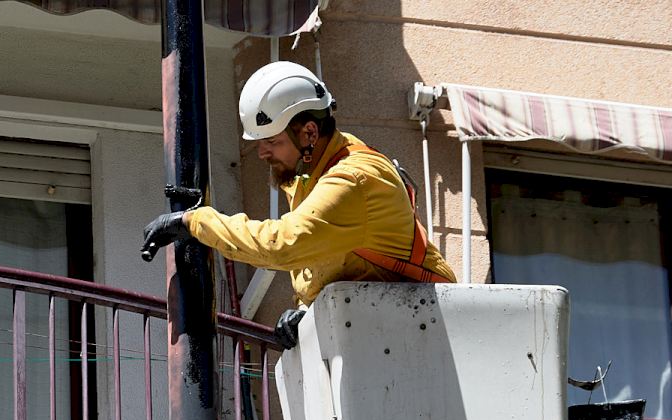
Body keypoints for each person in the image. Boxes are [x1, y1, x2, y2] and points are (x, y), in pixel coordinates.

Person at [141, 61, 456, 348]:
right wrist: (307, 311)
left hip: (429, 329)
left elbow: (282, 245)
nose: (262, 153)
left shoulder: (352, 179)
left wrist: (195, 222)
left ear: (309, 132)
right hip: (395, 326)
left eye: (272, 142)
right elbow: (329, 264)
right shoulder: (309, 175)